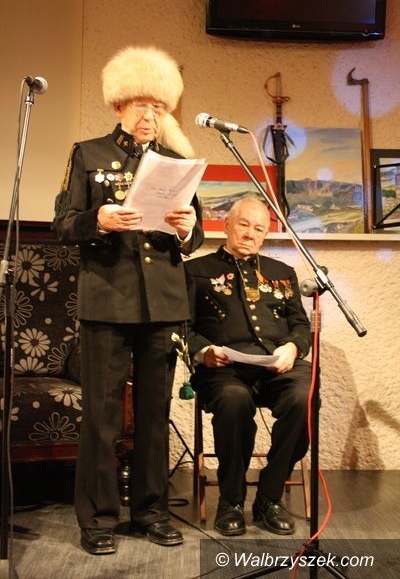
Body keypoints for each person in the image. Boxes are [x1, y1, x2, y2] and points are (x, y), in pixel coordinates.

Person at [52, 46, 204, 554]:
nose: (149, 115)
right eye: (141, 104)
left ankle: (150, 512)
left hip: (163, 303)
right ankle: (97, 519)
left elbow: (195, 237)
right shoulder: (88, 153)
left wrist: (186, 228)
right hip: (108, 299)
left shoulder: (177, 163)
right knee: (102, 414)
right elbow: (62, 224)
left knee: (155, 413)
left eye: (158, 107)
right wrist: (98, 220)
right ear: (119, 105)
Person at [185, 198, 311, 536]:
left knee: (306, 395)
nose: (250, 234)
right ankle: (231, 500)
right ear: (226, 225)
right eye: (243, 224)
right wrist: (203, 352)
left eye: (259, 229)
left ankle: (269, 496)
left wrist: (292, 347)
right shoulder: (195, 270)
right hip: (223, 370)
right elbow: (181, 327)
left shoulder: (282, 273)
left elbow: (301, 326)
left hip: (277, 367)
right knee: (234, 400)